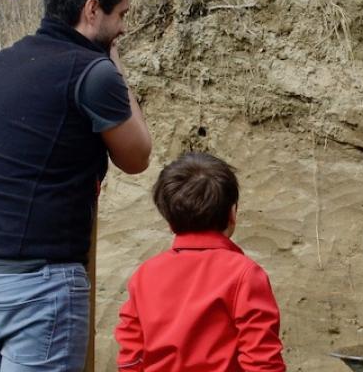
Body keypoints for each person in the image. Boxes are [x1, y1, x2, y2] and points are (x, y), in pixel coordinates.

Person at [0, 0, 154, 371]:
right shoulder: (91, 72)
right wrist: (113, 63)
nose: (122, 28)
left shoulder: (0, 64)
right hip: (37, 289)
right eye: (121, 15)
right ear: (92, 9)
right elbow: (137, 156)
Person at [115, 153, 286, 371]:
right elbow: (262, 361)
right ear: (232, 213)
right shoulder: (245, 274)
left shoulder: (144, 274)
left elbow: (131, 359)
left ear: (169, 221)